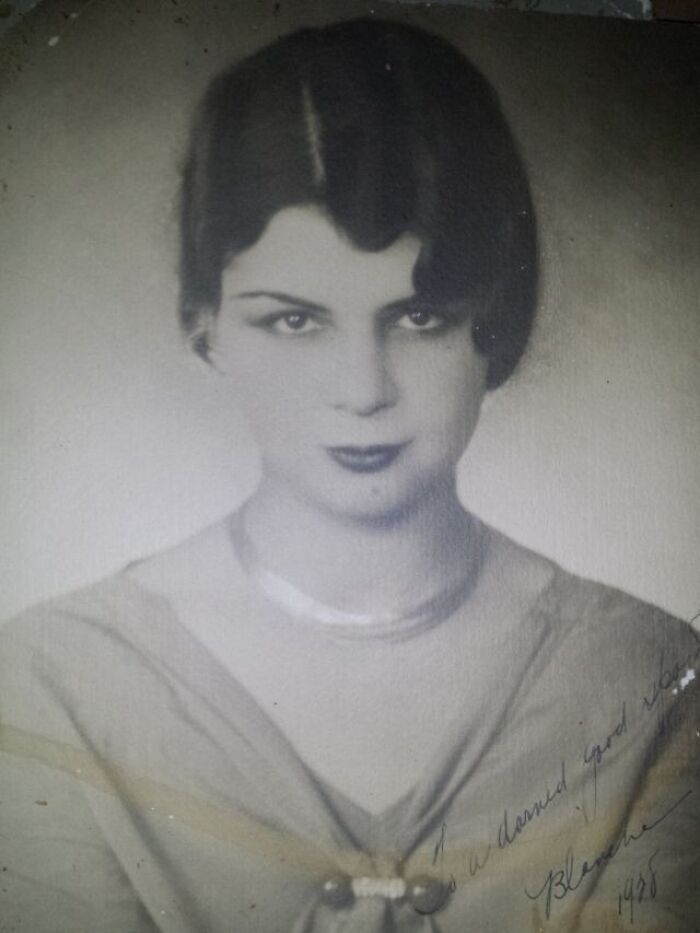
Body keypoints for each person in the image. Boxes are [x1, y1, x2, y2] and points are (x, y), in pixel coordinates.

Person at [1, 18, 698, 933]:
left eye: (419, 318)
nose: (362, 392)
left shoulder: (655, 682)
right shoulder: (54, 683)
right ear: (204, 325)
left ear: (495, 320)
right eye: (293, 321)